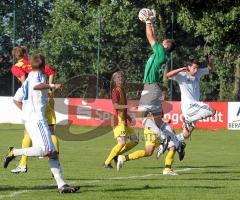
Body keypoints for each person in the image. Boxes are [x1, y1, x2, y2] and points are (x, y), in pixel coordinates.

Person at [117, 9, 185, 171]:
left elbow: (151, 37)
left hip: (151, 88)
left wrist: (147, 21)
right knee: (158, 120)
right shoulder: (163, 54)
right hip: (154, 89)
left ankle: (164, 139)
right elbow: (154, 36)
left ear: (167, 46)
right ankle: (174, 140)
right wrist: (152, 20)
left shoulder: (161, 51)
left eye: (166, 41)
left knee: (140, 117)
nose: (163, 41)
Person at [3, 53, 79, 193]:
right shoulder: (38, 77)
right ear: (43, 65)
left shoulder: (27, 79)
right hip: (37, 120)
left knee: (53, 153)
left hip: (32, 119)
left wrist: (27, 112)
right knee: (47, 151)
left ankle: (61, 185)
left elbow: (16, 99)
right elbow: (37, 86)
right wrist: (52, 85)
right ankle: (14, 152)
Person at [10, 47, 59, 173]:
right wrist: (50, 89)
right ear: (25, 54)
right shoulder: (35, 64)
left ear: (15, 56)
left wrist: (25, 107)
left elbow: (23, 80)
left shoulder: (16, 67)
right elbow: (51, 71)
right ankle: (56, 165)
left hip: (31, 102)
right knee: (52, 132)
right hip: (46, 98)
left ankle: (22, 163)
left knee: (28, 134)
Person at [165, 57, 216, 140]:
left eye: (197, 68)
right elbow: (167, 75)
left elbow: (209, 69)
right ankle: (188, 120)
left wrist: (210, 61)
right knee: (212, 111)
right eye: (194, 68)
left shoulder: (198, 73)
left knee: (186, 134)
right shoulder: (181, 75)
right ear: (188, 67)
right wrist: (180, 69)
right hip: (188, 104)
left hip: (194, 105)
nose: (196, 70)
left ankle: (168, 141)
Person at [103, 71, 139, 168]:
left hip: (124, 121)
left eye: (122, 77)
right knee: (122, 142)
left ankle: (116, 155)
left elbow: (122, 107)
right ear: (114, 80)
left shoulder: (122, 90)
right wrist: (128, 106)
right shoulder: (115, 90)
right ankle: (107, 163)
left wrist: (127, 116)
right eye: (118, 77)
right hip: (118, 121)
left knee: (135, 140)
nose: (120, 79)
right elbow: (115, 105)